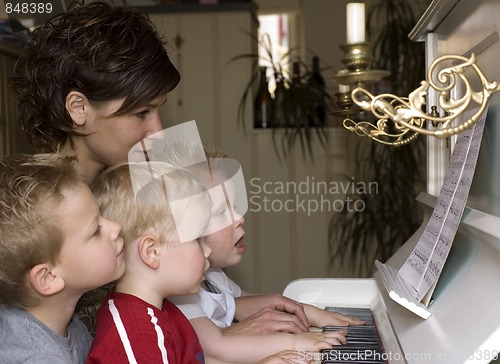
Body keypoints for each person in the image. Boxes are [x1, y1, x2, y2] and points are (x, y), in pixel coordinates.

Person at [10, 1, 180, 185]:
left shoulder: (125, 189)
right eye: (142, 113)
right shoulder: (32, 209)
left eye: (157, 110)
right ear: (79, 108)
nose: (159, 133)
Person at [0, 153, 125, 364]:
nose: (116, 227)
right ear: (48, 278)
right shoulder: (35, 358)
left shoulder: (62, 321)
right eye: (95, 230)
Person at [86, 161, 212, 363]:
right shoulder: (138, 336)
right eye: (197, 238)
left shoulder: (158, 310)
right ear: (152, 252)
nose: (208, 251)